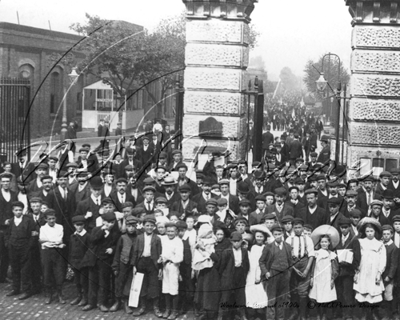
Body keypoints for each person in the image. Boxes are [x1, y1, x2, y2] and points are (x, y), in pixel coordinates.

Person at [81, 211, 120, 312]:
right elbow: (93, 240)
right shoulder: (96, 230)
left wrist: (112, 249)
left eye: (112, 222)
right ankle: (91, 302)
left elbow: (117, 244)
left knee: (104, 282)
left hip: (106, 260)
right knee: (92, 281)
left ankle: (101, 302)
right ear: (103, 221)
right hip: (94, 260)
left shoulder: (115, 233)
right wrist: (102, 230)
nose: (110, 225)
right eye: (108, 222)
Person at [130, 215, 162, 317]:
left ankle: (156, 308)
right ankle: (142, 307)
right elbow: (135, 252)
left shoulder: (157, 238)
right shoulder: (139, 238)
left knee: (154, 285)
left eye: (151, 226)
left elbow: (159, 252)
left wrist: (160, 266)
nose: (149, 227)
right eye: (147, 225)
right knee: (141, 285)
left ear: (154, 227)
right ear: (143, 226)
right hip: (141, 262)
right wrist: (134, 265)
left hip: (152, 263)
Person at [354, 218, 386, 320]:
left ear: (375, 231)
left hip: (374, 271)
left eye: (371, 231)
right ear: (364, 232)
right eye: (367, 231)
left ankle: (372, 314)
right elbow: (356, 257)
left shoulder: (380, 244)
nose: (369, 233)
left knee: (373, 293)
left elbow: (382, 260)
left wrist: (379, 272)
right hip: (363, 271)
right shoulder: (360, 242)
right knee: (363, 292)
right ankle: (364, 314)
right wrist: (356, 272)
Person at [259, 224, 292, 320]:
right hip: (273, 274)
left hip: (285, 275)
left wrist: (288, 273)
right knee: (272, 299)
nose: (278, 236)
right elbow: (261, 261)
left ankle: (280, 318)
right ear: (273, 235)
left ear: (282, 234)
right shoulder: (268, 247)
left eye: (279, 234)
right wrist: (266, 272)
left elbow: (290, 262)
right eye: (275, 234)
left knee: (282, 299)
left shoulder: (288, 246)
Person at [286, 218, 315, 320]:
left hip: (304, 264)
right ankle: (294, 313)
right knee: (293, 290)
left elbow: (311, 255)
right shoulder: (289, 239)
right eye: (295, 228)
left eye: (299, 227)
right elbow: (287, 257)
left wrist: (306, 270)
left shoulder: (308, 239)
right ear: (293, 228)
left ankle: (303, 314)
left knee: (303, 291)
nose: (298, 230)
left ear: (303, 228)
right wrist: (294, 268)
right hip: (293, 266)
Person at [5, 201, 35, 299]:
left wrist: (29, 246)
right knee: (15, 268)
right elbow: (6, 234)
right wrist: (8, 243)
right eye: (16, 210)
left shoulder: (29, 220)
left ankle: (27, 290)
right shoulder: (10, 221)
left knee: (25, 270)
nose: (18, 212)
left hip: (25, 248)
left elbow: (33, 234)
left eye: (20, 210)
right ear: (13, 211)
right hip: (13, 248)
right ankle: (15, 289)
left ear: (23, 210)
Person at [309, 226, 340, 320]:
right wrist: (311, 277)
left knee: (326, 298)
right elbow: (313, 267)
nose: (324, 244)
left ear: (329, 243)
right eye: (322, 242)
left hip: (327, 278)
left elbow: (335, 269)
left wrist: (332, 279)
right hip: (318, 277)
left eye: (326, 242)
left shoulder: (332, 254)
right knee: (317, 297)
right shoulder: (316, 253)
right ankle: (318, 315)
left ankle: (326, 316)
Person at [111, 215, 139, 313]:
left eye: (133, 226)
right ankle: (117, 302)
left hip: (133, 265)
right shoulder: (122, 238)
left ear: (136, 227)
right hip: (123, 263)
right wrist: (115, 267)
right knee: (119, 282)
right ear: (126, 227)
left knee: (129, 284)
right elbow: (117, 253)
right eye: (129, 226)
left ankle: (126, 303)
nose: (131, 228)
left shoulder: (138, 237)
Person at [218, 231, 249, 320]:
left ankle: (242, 314)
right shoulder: (227, 252)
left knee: (240, 296)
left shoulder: (244, 251)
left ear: (241, 241)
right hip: (228, 275)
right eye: (234, 241)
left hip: (239, 274)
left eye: (238, 241)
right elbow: (221, 266)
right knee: (225, 297)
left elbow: (247, 265)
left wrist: (243, 275)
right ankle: (221, 316)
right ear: (231, 242)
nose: (236, 243)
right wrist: (224, 277)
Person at [334, 217, 361, 320]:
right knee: (339, 293)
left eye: (345, 227)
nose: (343, 230)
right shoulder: (336, 239)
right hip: (338, 271)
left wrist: (349, 264)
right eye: (341, 228)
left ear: (350, 228)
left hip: (349, 272)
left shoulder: (354, 240)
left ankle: (348, 314)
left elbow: (357, 258)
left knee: (347, 294)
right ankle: (339, 314)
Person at [193, 223, 221, 319]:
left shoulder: (214, 242)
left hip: (212, 270)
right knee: (203, 290)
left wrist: (205, 250)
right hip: (203, 269)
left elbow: (216, 258)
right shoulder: (200, 241)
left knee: (210, 291)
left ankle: (211, 313)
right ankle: (203, 311)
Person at [39, 209, 66, 304]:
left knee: (59, 273)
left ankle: (60, 294)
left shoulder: (60, 227)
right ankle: (49, 294)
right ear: (46, 219)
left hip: (57, 252)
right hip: (46, 253)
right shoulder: (43, 228)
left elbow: (59, 240)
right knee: (47, 273)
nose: (51, 221)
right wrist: (52, 242)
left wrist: (49, 241)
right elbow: (42, 240)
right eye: (49, 219)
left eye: (53, 218)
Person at [160, 222, 184, 320]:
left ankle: (174, 311)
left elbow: (179, 257)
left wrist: (168, 257)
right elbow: (162, 253)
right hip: (165, 266)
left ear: (176, 232)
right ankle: (167, 309)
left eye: (172, 231)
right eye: (168, 231)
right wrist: (161, 258)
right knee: (166, 288)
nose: (170, 233)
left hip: (174, 266)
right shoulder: (164, 239)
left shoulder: (178, 241)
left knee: (173, 289)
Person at [245, 227, 268, 319]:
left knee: (261, 294)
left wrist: (259, 275)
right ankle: (252, 314)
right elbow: (254, 263)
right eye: (257, 236)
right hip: (252, 274)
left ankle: (260, 313)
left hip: (261, 274)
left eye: (261, 237)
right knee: (252, 293)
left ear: (264, 238)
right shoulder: (253, 248)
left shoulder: (266, 248)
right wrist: (255, 276)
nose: (259, 238)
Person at [68, 215, 90, 307]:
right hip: (75, 262)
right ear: (74, 225)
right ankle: (79, 296)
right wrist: (70, 262)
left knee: (83, 281)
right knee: (77, 281)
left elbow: (89, 251)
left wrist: (85, 262)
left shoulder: (87, 236)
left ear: (84, 225)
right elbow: (70, 249)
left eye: (81, 225)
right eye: (77, 225)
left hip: (83, 264)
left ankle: (85, 297)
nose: (79, 227)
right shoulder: (72, 236)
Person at [381, 224, 399, 319]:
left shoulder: (394, 248)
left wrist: (390, 276)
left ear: (392, 235)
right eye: (384, 234)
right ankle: (382, 314)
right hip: (381, 274)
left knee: (388, 295)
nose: (386, 236)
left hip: (388, 276)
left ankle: (389, 315)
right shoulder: (381, 245)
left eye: (388, 234)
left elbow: (394, 264)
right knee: (381, 294)